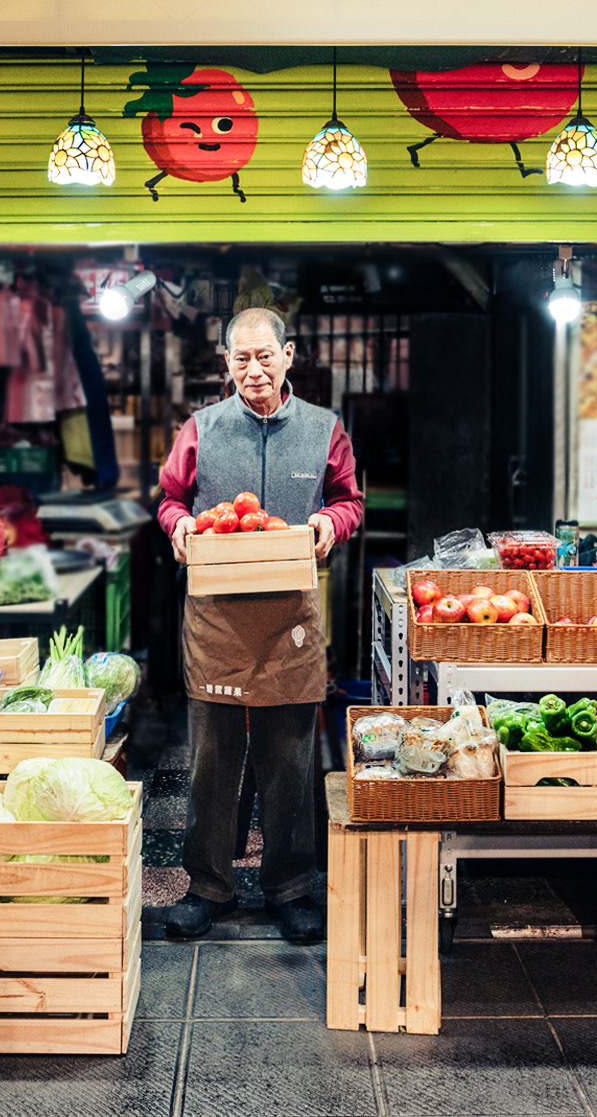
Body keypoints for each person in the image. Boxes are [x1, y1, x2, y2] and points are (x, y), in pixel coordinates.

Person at [155, 306, 362, 943]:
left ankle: (291, 887)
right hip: (216, 619)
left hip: (290, 623)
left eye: (264, 356)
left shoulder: (325, 429)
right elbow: (168, 498)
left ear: (288, 355)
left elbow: (348, 500)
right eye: (240, 359)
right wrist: (180, 526)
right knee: (213, 759)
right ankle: (208, 887)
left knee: (290, 759)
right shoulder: (201, 429)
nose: (253, 369)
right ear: (226, 363)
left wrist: (331, 524)